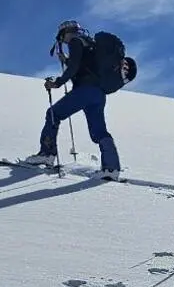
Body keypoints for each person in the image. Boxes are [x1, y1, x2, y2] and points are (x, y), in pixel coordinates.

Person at [22, 20, 123, 180]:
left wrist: (58, 82)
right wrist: (67, 60)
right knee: (99, 132)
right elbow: (83, 66)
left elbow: (74, 68)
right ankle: (111, 168)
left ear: (65, 33)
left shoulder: (75, 41)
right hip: (98, 94)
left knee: (53, 114)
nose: (62, 41)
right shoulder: (90, 44)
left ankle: (47, 154)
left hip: (84, 91)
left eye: (61, 37)